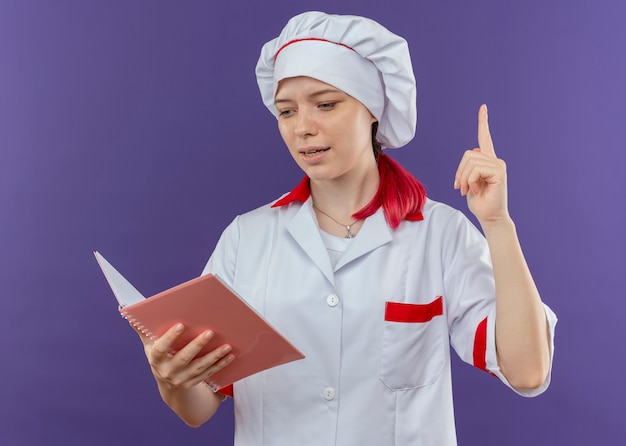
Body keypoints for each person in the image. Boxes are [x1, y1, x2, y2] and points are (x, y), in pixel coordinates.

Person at [132, 11, 557, 445]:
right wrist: (173, 380)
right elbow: (200, 407)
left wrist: (497, 223)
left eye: (326, 103)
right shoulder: (247, 239)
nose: (302, 127)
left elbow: (527, 371)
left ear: (372, 108)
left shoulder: (440, 234)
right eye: (286, 110)